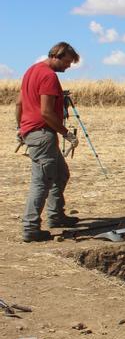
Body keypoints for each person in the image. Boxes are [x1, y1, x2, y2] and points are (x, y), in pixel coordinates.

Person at [16, 42, 81, 242]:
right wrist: (66, 133)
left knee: (61, 174)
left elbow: (19, 103)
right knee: (41, 182)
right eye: (68, 62)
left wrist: (20, 127)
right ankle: (30, 228)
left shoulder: (31, 71)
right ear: (57, 56)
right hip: (42, 133)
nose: (68, 66)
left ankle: (55, 215)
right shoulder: (48, 76)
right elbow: (46, 112)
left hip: (33, 131)